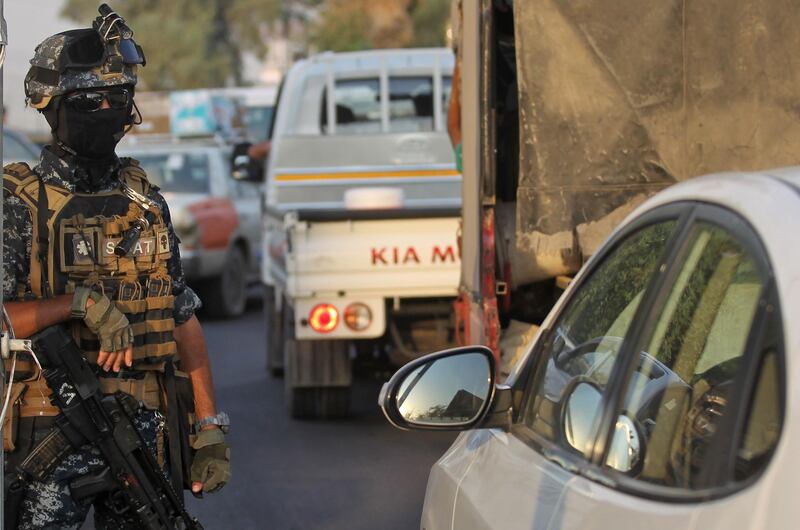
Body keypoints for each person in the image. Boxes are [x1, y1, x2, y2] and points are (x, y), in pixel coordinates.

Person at [1, 7, 230, 529]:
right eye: (88, 102)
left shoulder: (145, 203)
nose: (105, 111)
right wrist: (78, 305)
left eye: (117, 100)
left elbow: (181, 316)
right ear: (51, 105)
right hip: (48, 436)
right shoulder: (19, 203)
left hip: (142, 438)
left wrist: (210, 426)